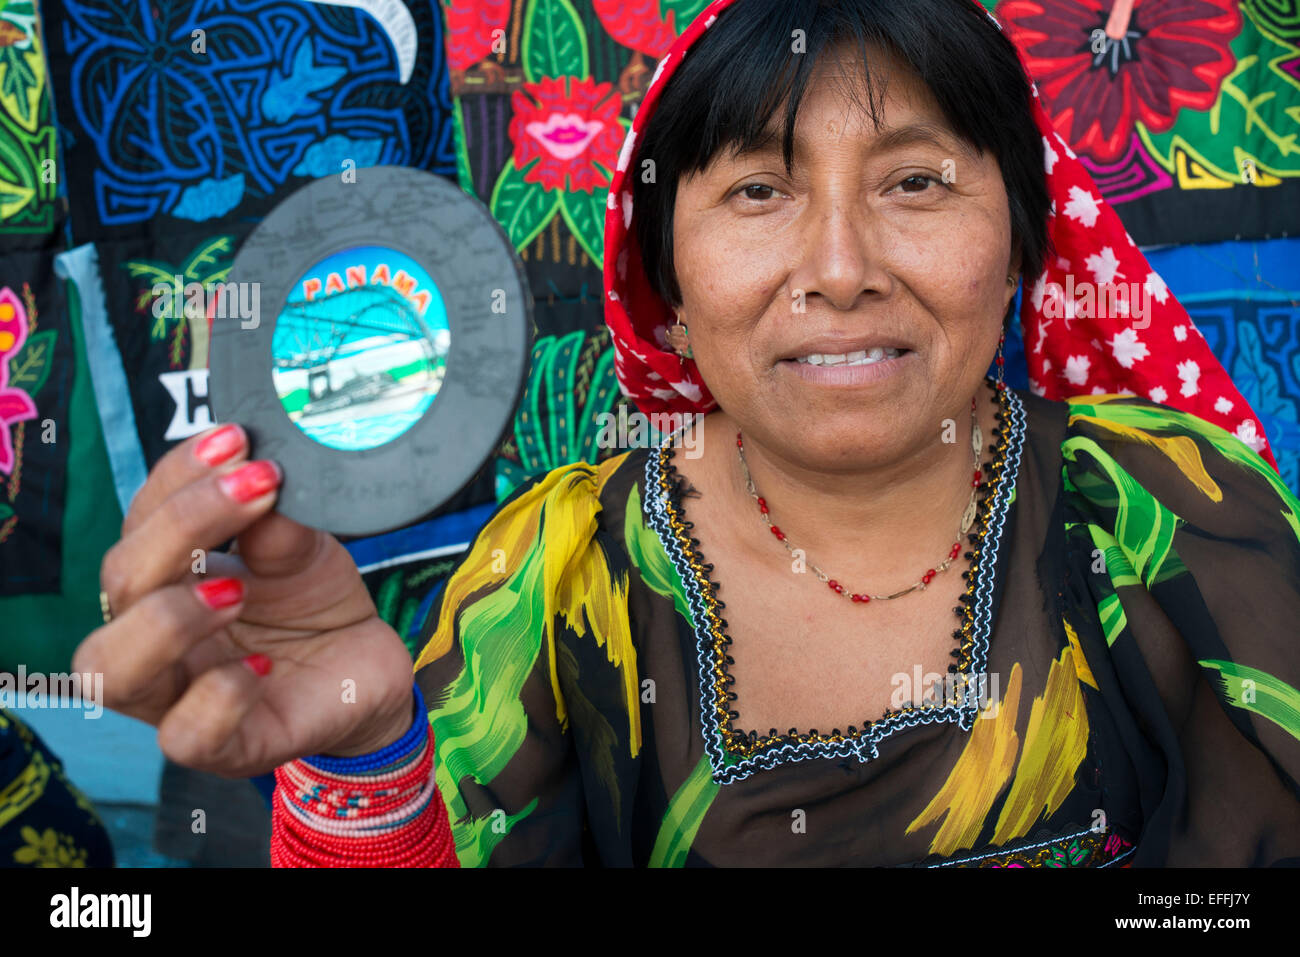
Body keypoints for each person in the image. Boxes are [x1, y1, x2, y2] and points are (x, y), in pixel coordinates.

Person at [77, 0, 1300, 867]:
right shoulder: (552, 578)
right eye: (757, 191)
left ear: (1025, 239)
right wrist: (358, 768)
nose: (838, 269)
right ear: (661, 273)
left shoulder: (1164, 506)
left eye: (916, 182)